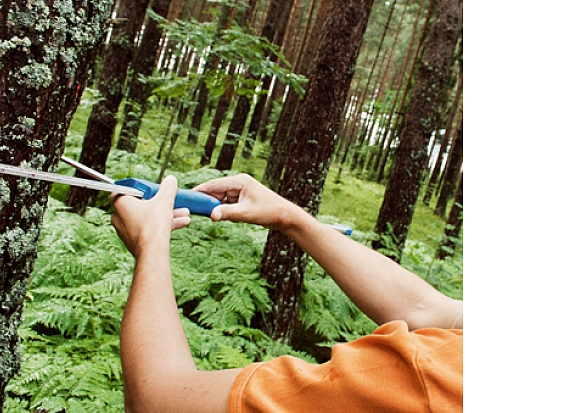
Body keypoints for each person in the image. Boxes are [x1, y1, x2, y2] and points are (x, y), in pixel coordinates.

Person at [110, 173, 463, 413]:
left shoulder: (429, 385)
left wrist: (151, 244)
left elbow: (161, 402)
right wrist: (290, 217)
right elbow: (427, 309)